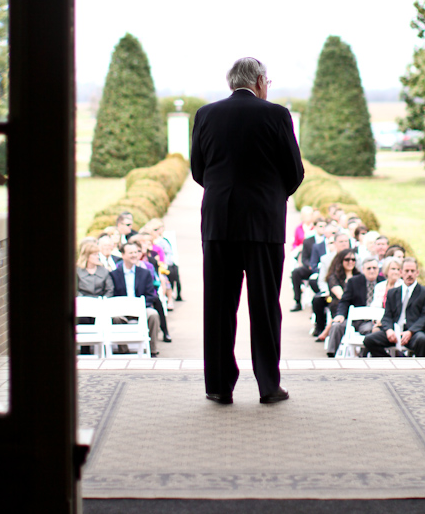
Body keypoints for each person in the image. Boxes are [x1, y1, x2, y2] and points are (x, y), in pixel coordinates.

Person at [190, 55, 304, 405]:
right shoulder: (276, 115)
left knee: (219, 306)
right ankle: (269, 385)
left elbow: (198, 170)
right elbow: (294, 171)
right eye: (267, 82)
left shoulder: (206, 115)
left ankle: (219, 386)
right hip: (263, 224)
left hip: (219, 223)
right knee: (265, 306)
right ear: (259, 81)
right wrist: (269, 196)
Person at [327, 256, 402, 355]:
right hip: (354, 319)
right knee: (336, 326)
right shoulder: (354, 282)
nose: (372, 271)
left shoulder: (383, 282)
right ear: (363, 270)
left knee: (372, 332)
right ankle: (331, 355)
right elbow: (345, 301)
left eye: (374, 268)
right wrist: (340, 314)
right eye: (369, 268)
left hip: (371, 322)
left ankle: (363, 356)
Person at [362, 257, 425, 357]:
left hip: (413, 333)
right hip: (394, 333)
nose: (409, 274)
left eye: (412, 271)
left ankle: (418, 369)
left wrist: (410, 332)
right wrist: (389, 330)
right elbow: (387, 316)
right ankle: (389, 362)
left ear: (417, 273)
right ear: (401, 272)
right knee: (369, 340)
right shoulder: (393, 292)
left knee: (422, 340)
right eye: (407, 271)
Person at [107, 240, 164, 355]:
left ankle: (152, 349)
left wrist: (139, 305)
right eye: (130, 253)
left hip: (141, 308)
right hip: (121, 309)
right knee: (115, 318)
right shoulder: (114, 274)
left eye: (136, 252)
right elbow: (112, 295)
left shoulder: (144, 273)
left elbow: (150, 294)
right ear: (123, 255)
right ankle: (123, 349)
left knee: (153, 315)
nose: (134, 255)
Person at [290, 215, 327, 311]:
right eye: (320, 226)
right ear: (315, 227)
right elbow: (304, 258)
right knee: (296, 272)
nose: (323, 229)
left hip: (325, 268)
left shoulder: (328, 240)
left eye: (324, 226)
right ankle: (297, 301)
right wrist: (310, 265)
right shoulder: (308, 241)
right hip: (311, 267)